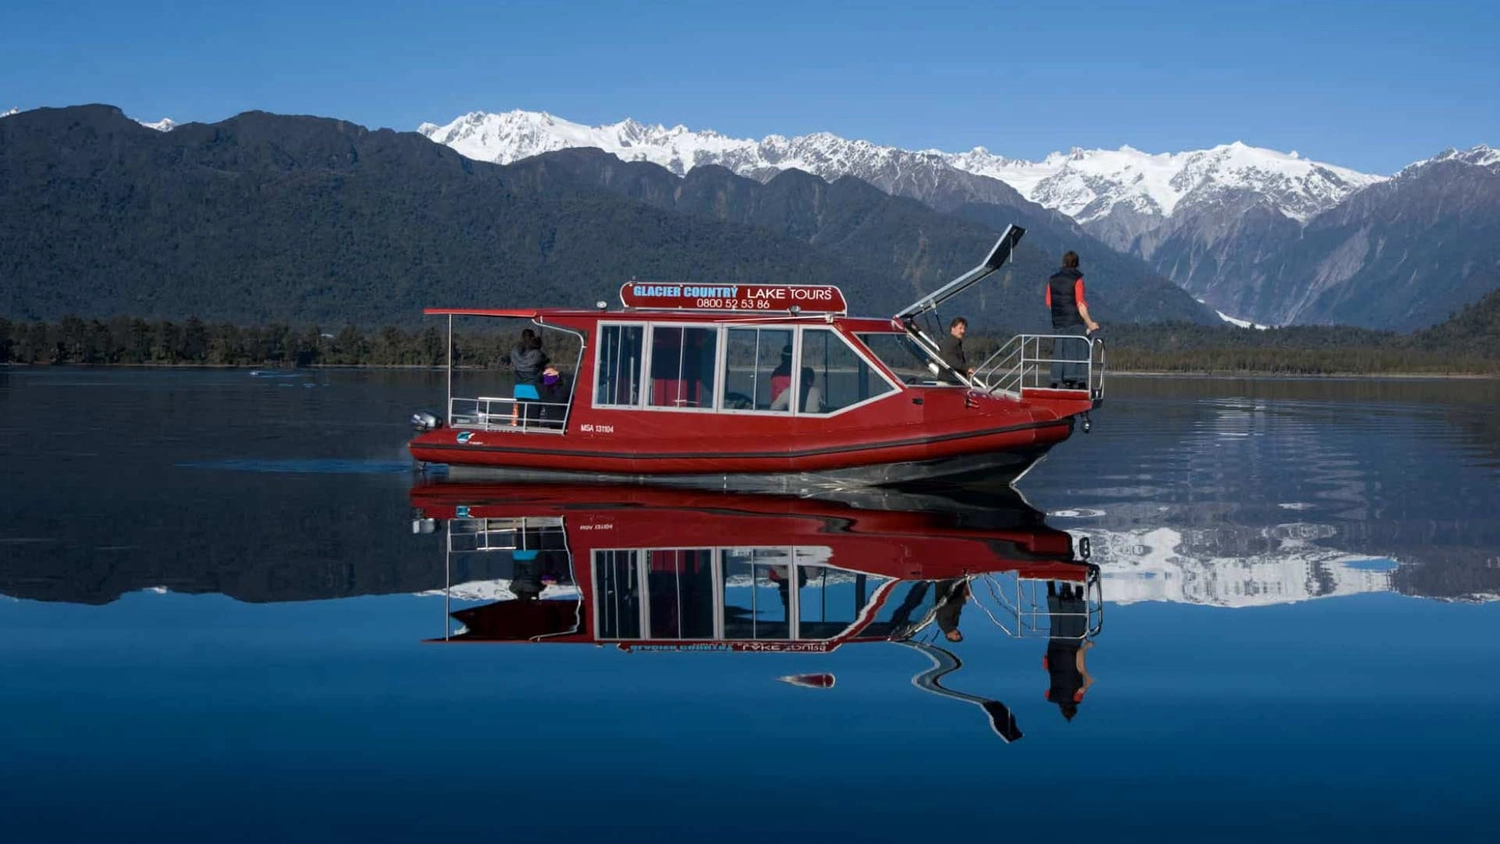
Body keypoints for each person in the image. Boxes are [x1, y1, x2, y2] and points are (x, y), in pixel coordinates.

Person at [1046, 252, 1100, 389]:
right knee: (1079, 347)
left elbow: (1049, 303)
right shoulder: (1077, 280)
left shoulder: (1052, 280)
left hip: (1058, 321)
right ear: (1077, 264)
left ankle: (1055, 381)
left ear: (1063, 263)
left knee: (1060, 350)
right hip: (1074, 321)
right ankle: (1079, 382)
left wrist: (1059, 315)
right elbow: (1080, 304)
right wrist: (1090, 323)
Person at [1043, 580, 1095, 721]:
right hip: (1054, 649)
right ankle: (1051, 586)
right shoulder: (1052, 696)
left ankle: (1077, 587)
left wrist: (1086, 647)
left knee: (1076, 619)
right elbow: (1047, 672)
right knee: (1056, 620)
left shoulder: (1075, 697)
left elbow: (1079, 664)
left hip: (1069, 648)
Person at [509, 329, 547, 424]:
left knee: (522, 418)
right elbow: (543, 362)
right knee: (533, 420)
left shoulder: (515, 352)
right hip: (534, 389)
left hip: (519, 389)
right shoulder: (537, 354)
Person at [769, 346, 819, 411]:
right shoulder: (801, 374)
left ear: (782, 357)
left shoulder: (775, 374)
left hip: (780, 410)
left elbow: (774, 399)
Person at [937, 316, 973, 383]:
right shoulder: (949, 343)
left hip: (954, 381)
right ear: (953, 328)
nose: (963, 331)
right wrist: (966, 368)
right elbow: (951, 360)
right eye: (960, 328)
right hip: (948, 382)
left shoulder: (955, 343)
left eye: (964, 329)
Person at [933, 579, 970, 643]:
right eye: (960, 635)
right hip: (955, 587)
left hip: (946, 586)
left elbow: (947, 606)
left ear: (948, 636)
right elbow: (957, 609)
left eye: (956, 636)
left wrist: (963, 599)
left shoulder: (945, 625)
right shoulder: (954, 624)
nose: (958, 634)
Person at [536, 364, 571, 429]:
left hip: (551, 423)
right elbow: (572, 379)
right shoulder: (563, 391)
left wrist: (544, 373)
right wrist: (558, 373)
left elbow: (536, 381)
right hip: (565, 422)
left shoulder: (544, 393)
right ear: (558, 379)